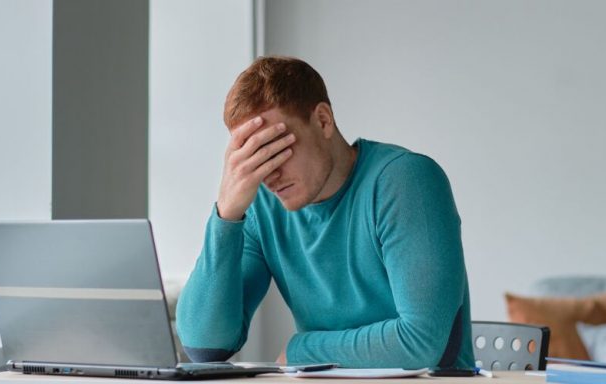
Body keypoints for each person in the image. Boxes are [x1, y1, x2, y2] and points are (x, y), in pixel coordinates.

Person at [176, 56, 474, 369]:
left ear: (323, 120)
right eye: (255, 157)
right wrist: (227, 214)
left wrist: (301, 351)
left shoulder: (406, 181)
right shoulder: (263, 207)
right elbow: (205, 347)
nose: (269, 175)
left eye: (276, 149)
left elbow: (422, 343)